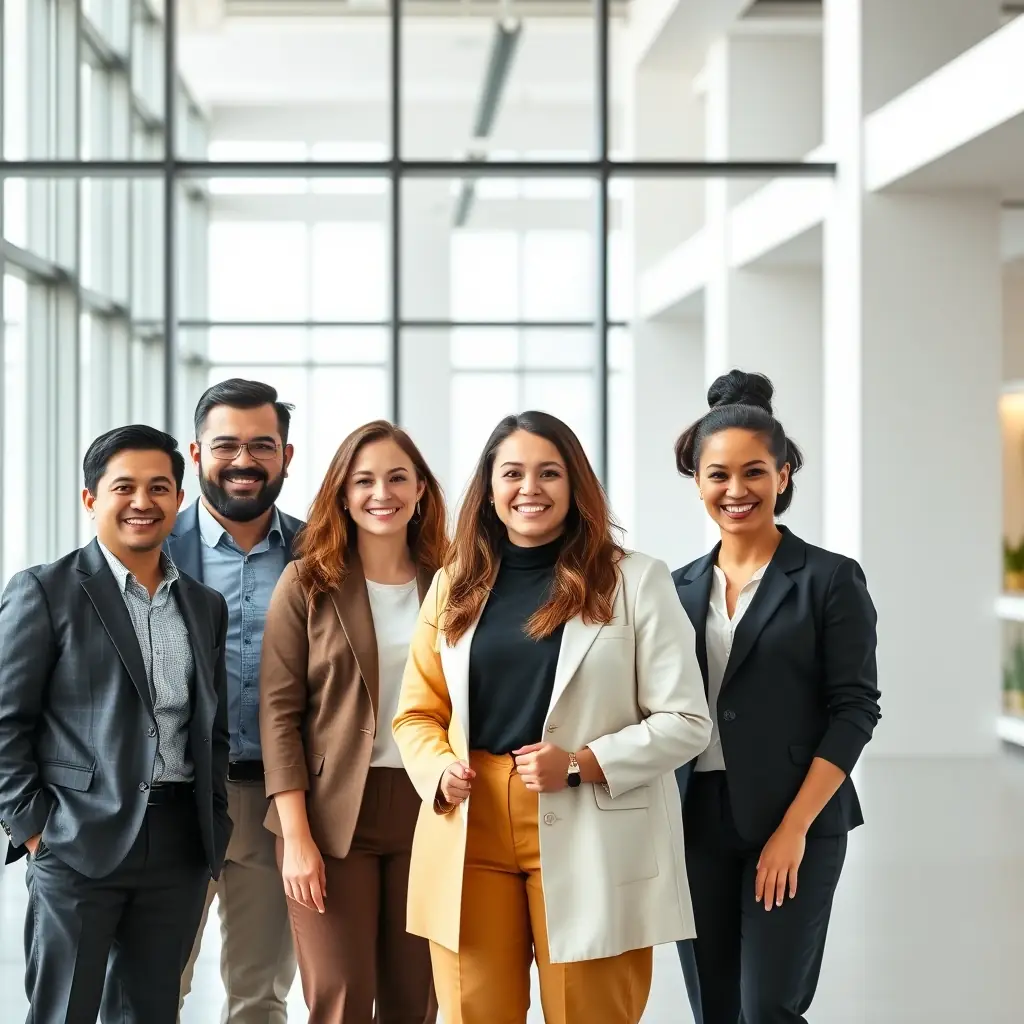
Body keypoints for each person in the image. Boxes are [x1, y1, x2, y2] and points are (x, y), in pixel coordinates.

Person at [393, 410, 713, 1024]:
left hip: (588, 814)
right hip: (469, 820)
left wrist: (582, 763)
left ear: (576, 485)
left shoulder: (635, 580)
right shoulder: (453, 583)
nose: (529, 489)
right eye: (512, 473)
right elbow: (417, 713)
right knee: (474, 1012)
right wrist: (436, 770)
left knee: (588, 1012)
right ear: (489, 488)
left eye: (549, 473)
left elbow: (685, 719)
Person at [0, 425, 232, 1024]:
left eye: (159, 487)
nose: (142, 501)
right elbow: (4, 723)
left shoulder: (204, 605)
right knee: (64, 1013)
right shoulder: (44, 591)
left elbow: (213, 726)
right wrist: (35, 831)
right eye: (123, 486)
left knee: (151, 1012)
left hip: (179, 844)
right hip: (77, 840)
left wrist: (214, 817)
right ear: (90, 499)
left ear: (179, 499)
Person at [671, 370, 882, 1024]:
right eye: (718, 474)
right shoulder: (675, 588)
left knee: (768, 1010)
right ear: (698, 481)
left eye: (754, 472)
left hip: (797, 819)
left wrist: (794, 829)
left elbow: (855, 709)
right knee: (715, 1010)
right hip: (694, 822)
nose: (736, 491)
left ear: (784, 475)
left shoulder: (829, 580)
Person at [259, 420, 447, 1023]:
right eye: (363, 480)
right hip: (331, 813)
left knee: (413, 1001)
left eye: (397, 478)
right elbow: (279, 714)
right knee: (339, 997)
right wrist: (296, 839)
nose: (381, 493)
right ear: (342, 493)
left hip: (430, 810)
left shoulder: (456, 581)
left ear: (420, 489)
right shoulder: (307, 582)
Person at [173, 379, 302, 1024]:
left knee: (260, 999)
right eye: (226, 444)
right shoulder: (148, 547)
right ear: (196, 454)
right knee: (149, 991)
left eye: (262, 444)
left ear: (286, 455)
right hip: (169, 801)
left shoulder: (324, 553)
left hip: (277, 803)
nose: (244, 460)